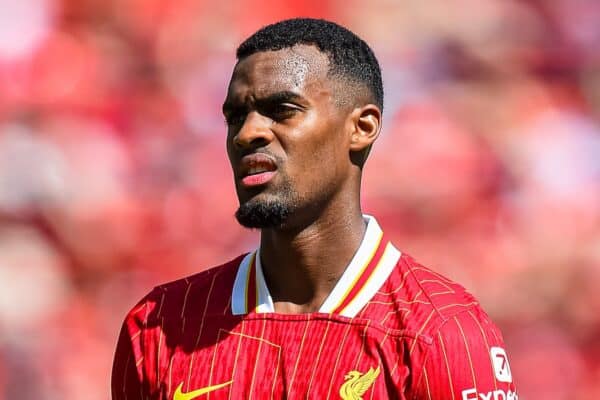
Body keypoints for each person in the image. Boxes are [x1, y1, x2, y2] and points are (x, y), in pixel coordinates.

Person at [112, 18, 518, 400]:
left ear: (362, 128)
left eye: (283, 110)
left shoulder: (442, 331)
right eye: (236, 116)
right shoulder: (161, 325)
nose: (248, 133)